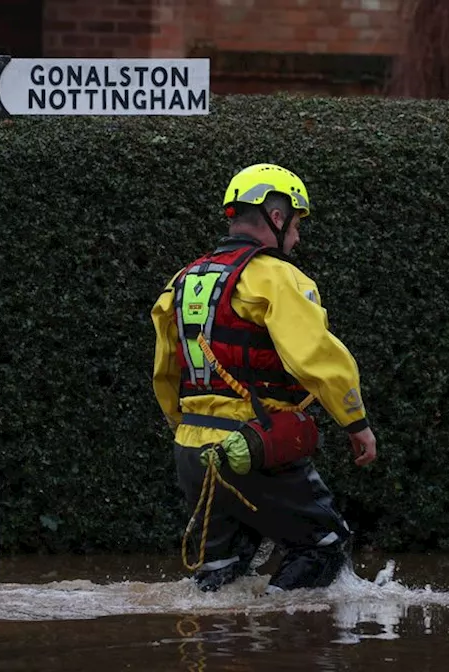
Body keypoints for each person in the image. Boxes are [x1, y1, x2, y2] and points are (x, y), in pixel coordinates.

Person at [150, 163, 378, 594]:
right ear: (277, 217)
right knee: (325, 546)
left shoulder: (181, 280)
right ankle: (281, 638)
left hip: (192, 451)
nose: (297, 236)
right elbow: (316, 357)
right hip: (251, 448)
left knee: (221, 574)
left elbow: (165, 370)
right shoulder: (278, 278)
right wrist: (356, 422)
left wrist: (183, 428)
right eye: (297, 223)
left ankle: (216, 645)